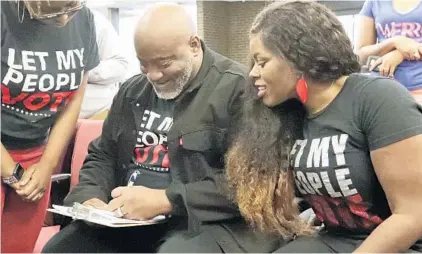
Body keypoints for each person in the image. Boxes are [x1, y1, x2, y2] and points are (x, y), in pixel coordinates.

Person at [42, 3, 282, 253]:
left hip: (202, 223)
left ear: (193, 45)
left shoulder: (238, 90)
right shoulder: (132, 91)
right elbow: (104, 155)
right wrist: (90, 197)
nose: (153, 75)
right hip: (128, 220)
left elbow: (251, 183)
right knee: (61, 248)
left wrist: (167, 200)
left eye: (164, 64)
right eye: (144, 64)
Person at [226, 1, 422, 252]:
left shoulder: (377, 99)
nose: (252, 73)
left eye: (261, 62)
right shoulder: (287, 115)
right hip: (335, 239)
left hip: (400, 244)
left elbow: (412, 216)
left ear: (297, 58)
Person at [1, 0, 99, 252]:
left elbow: (73, 99)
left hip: (36, 156)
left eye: (73, 6)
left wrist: (46, 166)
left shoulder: (84, 20)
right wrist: (10, 171)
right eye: (54, 9)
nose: (65, 18)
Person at [355, 0, 422, 102]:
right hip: (382, 90)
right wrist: (394, 42)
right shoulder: (373, 3)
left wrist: (400, 54)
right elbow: (360, 55)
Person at [79, 10, 129, 120]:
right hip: (47, 117)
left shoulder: (96, 22)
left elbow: (121, 66)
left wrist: (80, 70)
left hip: (96, 115)